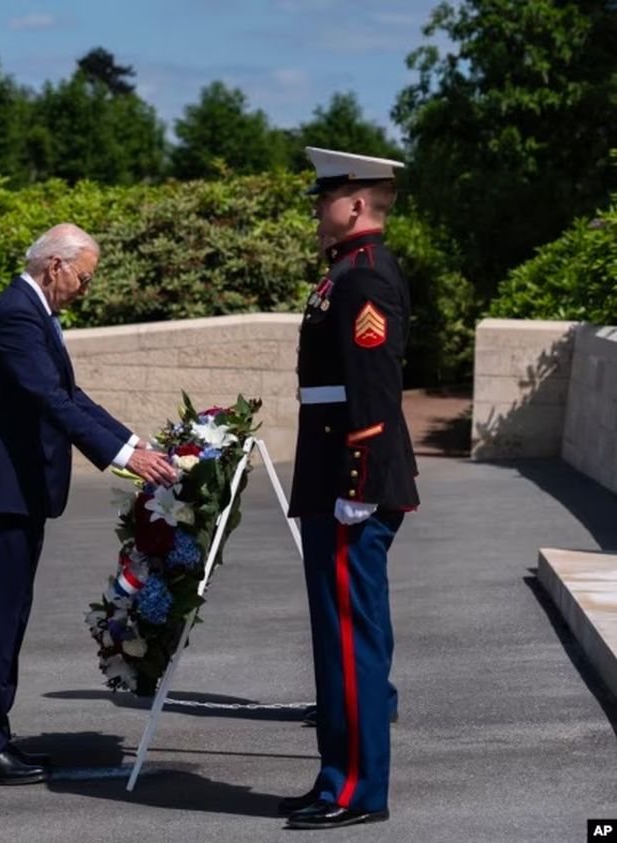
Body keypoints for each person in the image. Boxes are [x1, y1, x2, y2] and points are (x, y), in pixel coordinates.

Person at [0, 223, 178, 785]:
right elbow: (49, 399)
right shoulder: (18, 315)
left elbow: (70, 395)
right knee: (1, 615)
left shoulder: (33, 312)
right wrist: (127, 457)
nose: (86, 287)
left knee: (11, 613)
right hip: (3, 491)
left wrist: (132, 444)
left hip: (16, 490)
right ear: (56, 265)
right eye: (85, 276)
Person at [279, 147, 418, 831]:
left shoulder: (362, 279)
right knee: (336, 640)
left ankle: (358, 788)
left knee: (350, 640)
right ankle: (337, 777)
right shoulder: (344, 273)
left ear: (358, 203)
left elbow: (373, 387)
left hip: (348, 484)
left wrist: (358, 484)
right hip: (332, 477)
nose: (317, 208)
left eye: (326, 197)